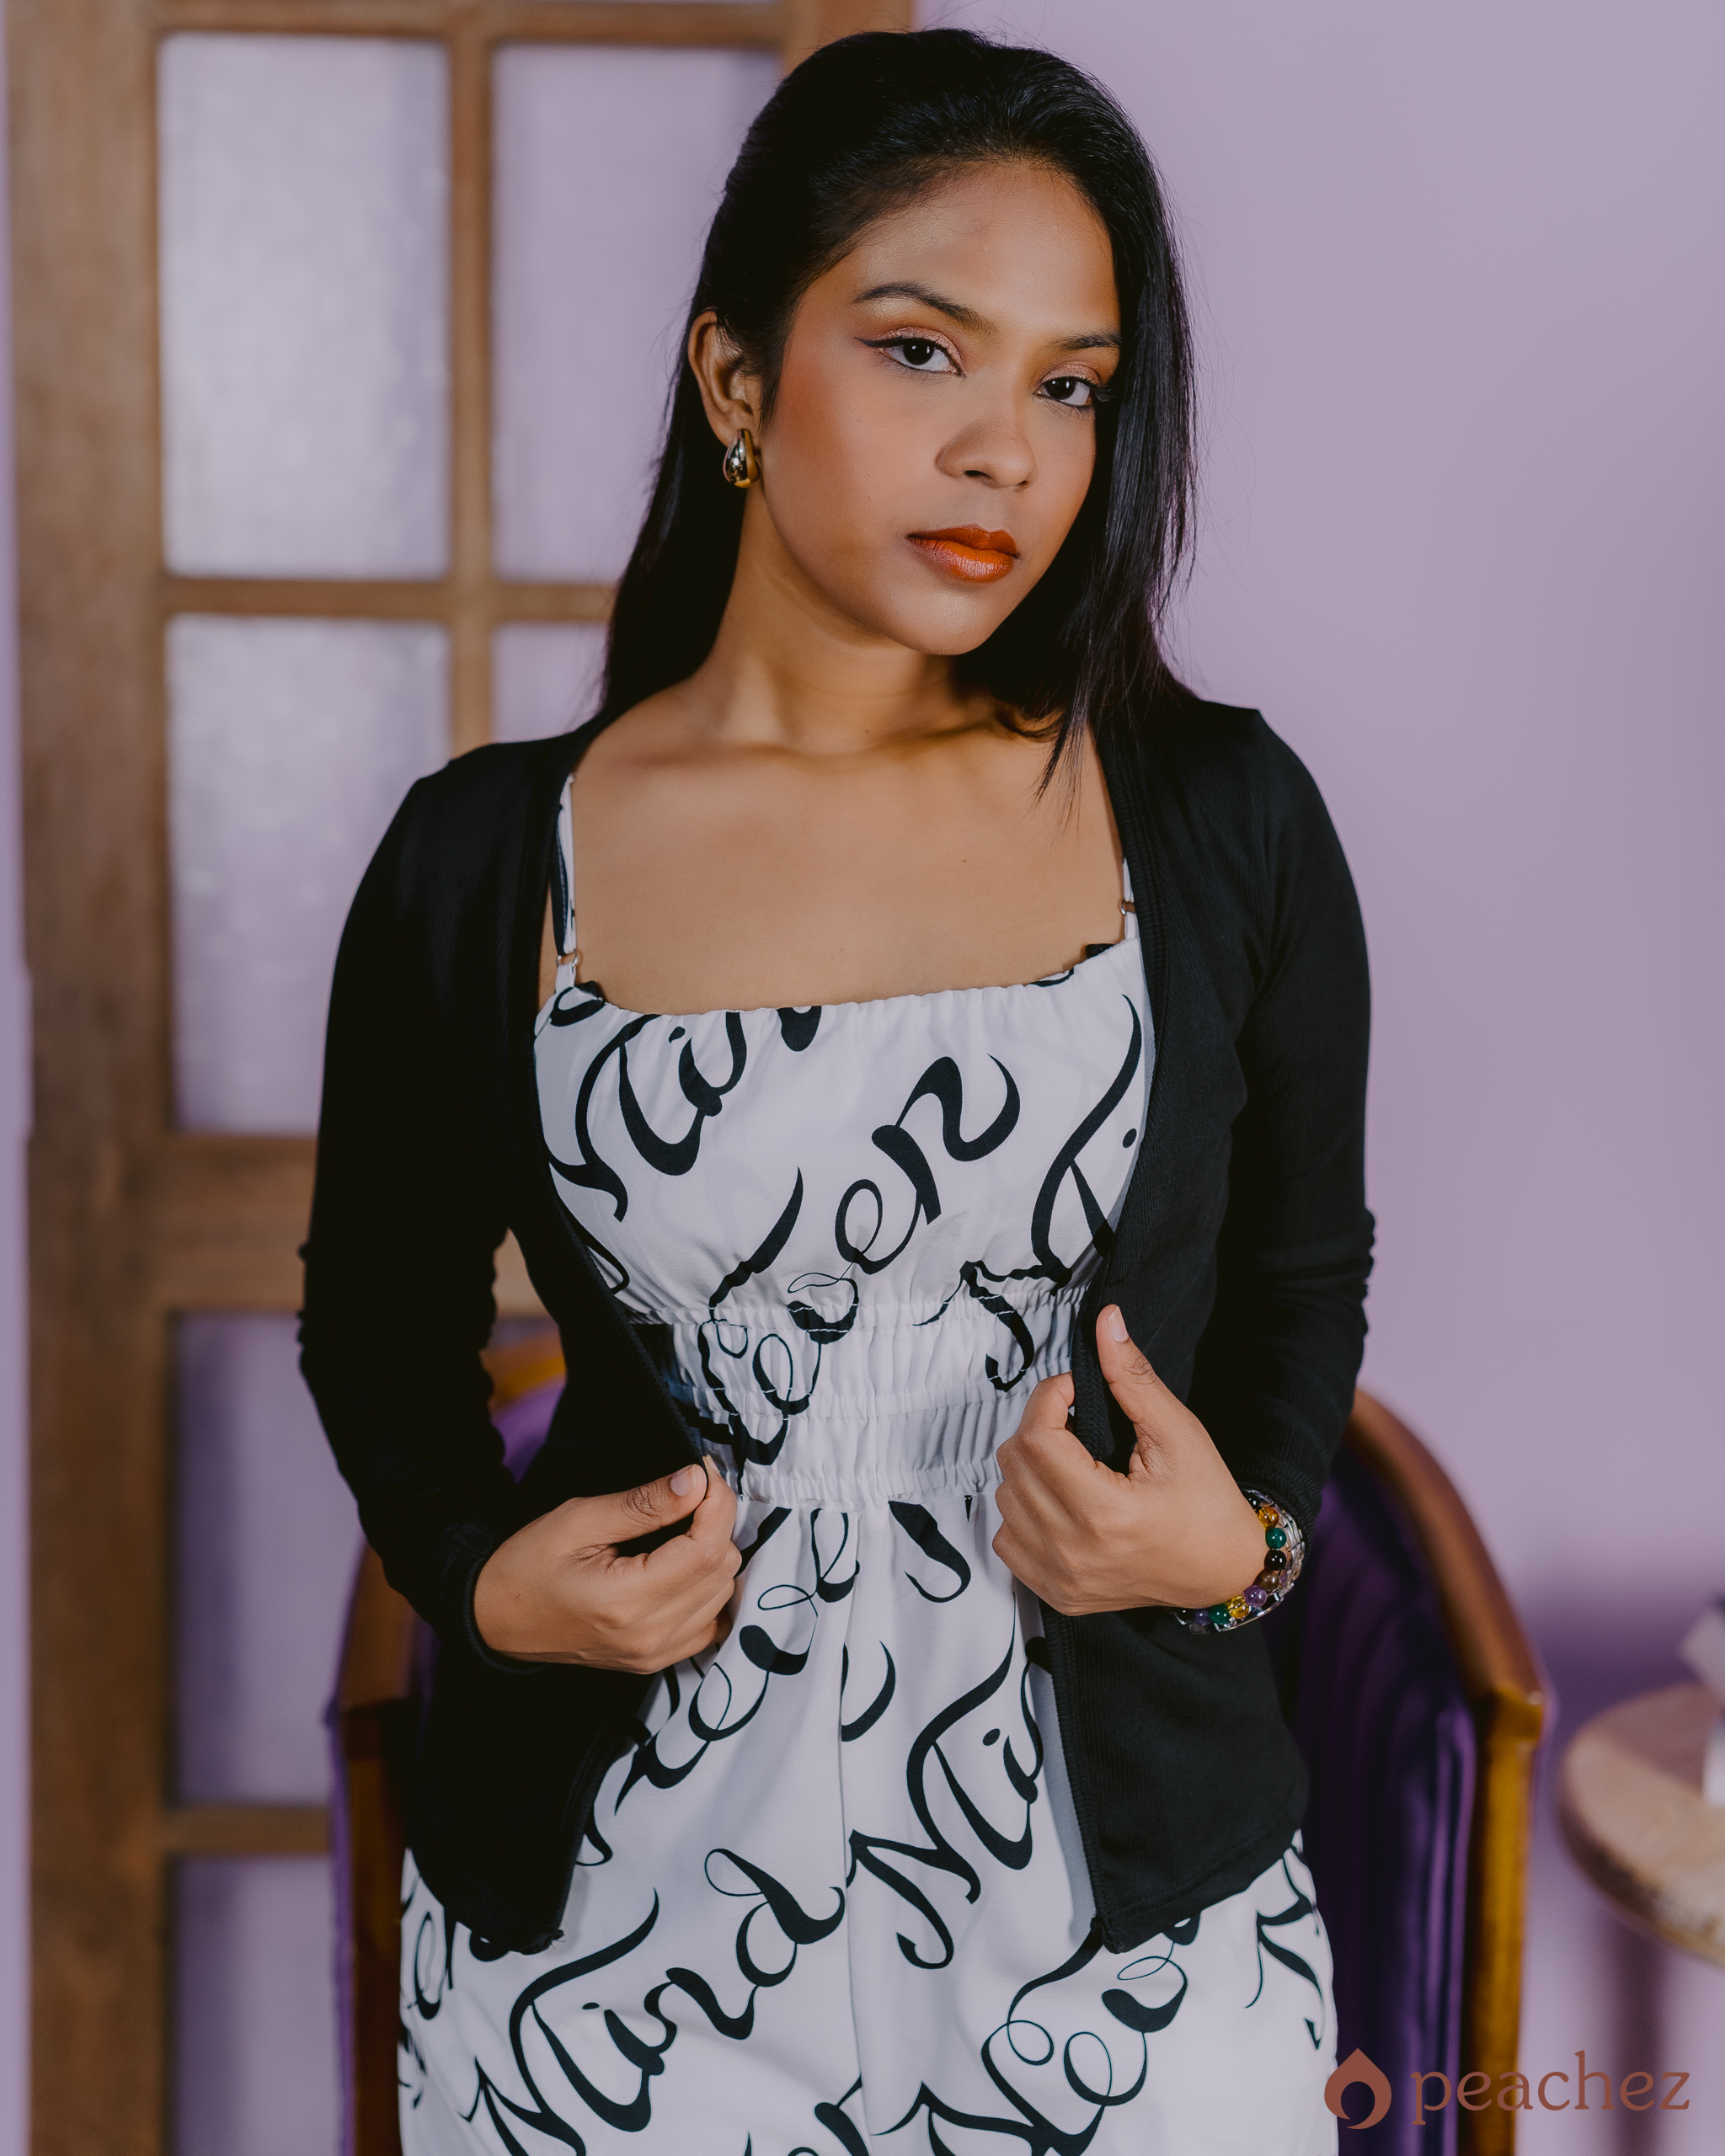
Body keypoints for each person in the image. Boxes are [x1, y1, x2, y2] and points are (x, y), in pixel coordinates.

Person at [301, 27, 1370, 2154]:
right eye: (918, 350)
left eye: (1070, 386)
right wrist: (480, 1575)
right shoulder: (483, 859)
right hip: (611, 1944)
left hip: (1131, 1950)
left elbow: (1296, 1277)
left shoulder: (1223, 817)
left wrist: (1233, 1544)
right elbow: (374, 1312)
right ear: (732, 376)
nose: (1004, 454)